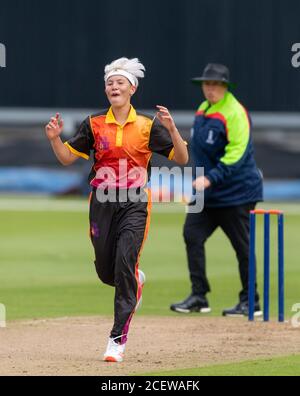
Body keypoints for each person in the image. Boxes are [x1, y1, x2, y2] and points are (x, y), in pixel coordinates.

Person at [45, 57, 188, 363]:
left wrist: (173, 130)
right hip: (101, 202)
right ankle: (135, 281)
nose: (114, 86)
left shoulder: (148, 125)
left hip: (135, 203)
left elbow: (182, 158)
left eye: (120, 82)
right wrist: (55, 139)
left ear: (132, 88)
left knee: (125, 264)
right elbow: (67, 158)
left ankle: (116, 341)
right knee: (107, 271)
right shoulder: (94, 123)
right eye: (110, 82)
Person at [170, 63, 263, 317]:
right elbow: (200, 151)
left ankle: (250, 301)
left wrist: (211, 178)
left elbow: (238, 153)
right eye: (206, 84)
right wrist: (199, 179)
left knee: (242, 247)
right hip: (208, 192)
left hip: (237, 192)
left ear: (225, 86)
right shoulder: (203, 110)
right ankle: (199, 295)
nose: (210, 88)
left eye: (215, 84)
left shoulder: (234, 112)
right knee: (192, 235)